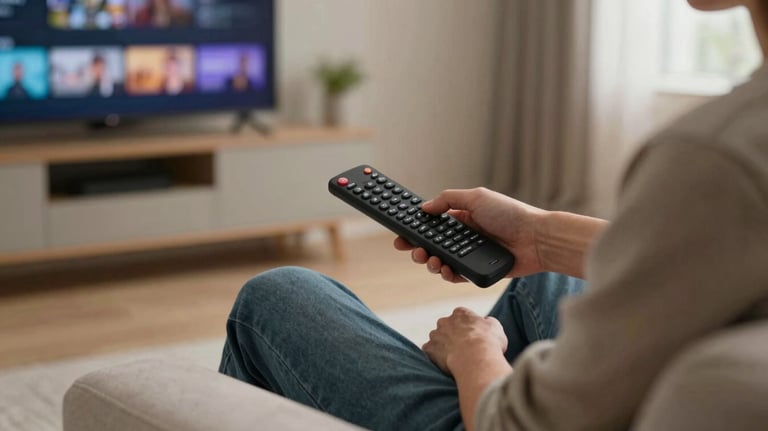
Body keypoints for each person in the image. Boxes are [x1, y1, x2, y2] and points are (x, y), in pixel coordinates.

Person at [219, 0, 768, 429]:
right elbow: (700, 266)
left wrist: (474, 354)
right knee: (549, 282)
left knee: (278, 294)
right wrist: (540, 236)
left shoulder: (716, 156)